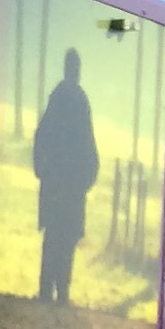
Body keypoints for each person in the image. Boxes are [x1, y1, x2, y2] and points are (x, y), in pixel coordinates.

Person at [32, 47, 99, 304]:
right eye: (73, 67)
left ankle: (58, 292)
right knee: (57, 238)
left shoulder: (72, 100)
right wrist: (44, 168)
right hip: (63, 184)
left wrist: (87, 175)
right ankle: (50, 291)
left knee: (63, 239)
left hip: (67, 184)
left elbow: (85, 142)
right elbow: (47, 136)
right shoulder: (66, 99)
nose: (75, 72)